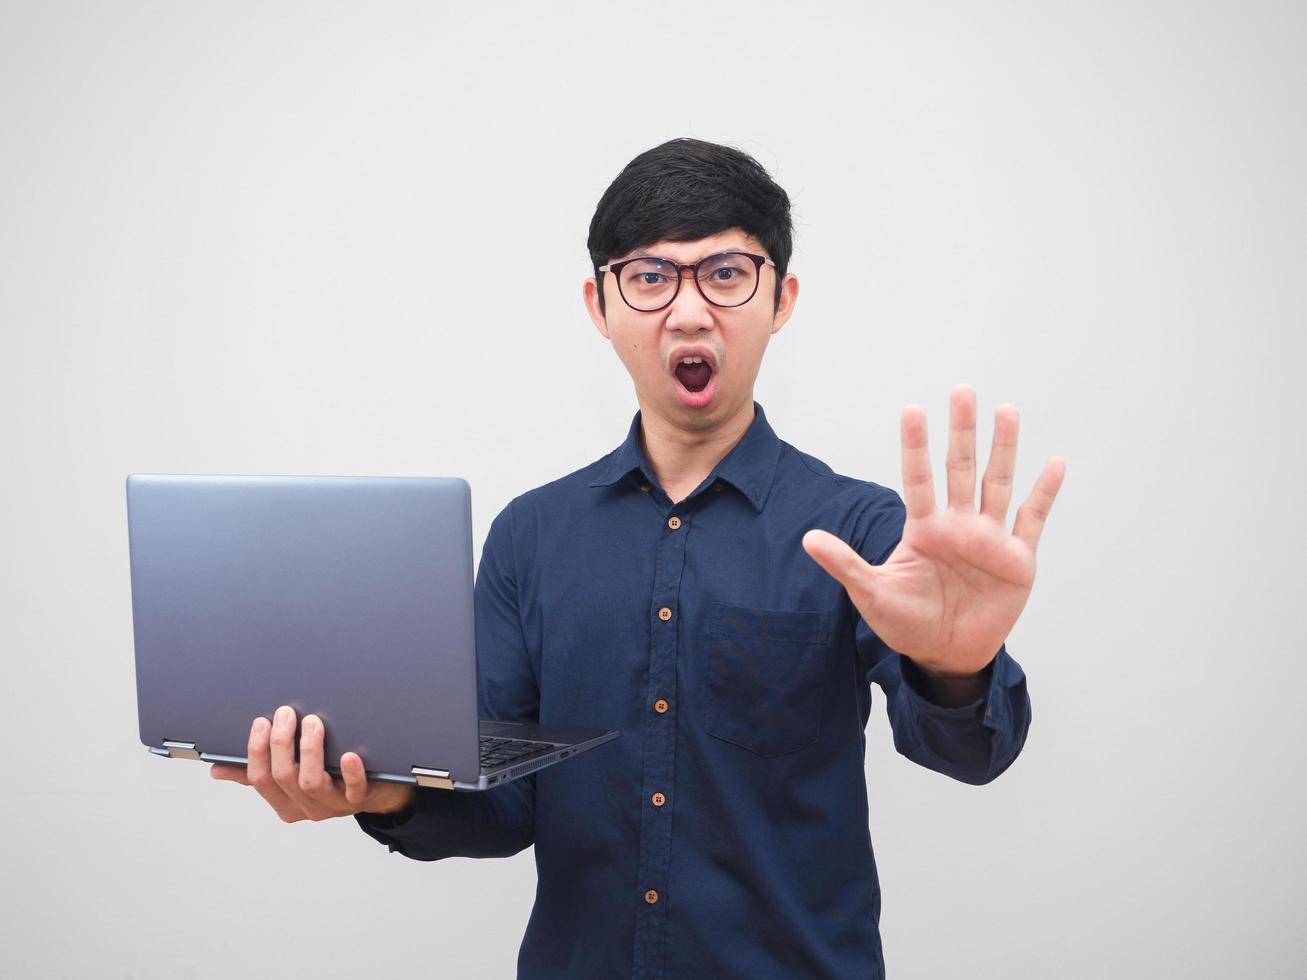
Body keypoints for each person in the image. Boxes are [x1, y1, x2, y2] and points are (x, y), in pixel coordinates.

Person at [211, 137, 1066, 978]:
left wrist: (957, 667)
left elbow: (970, 755)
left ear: (782, 299)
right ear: (599, 305)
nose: (688, 312)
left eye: (726, 274)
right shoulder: (531, 537)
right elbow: (502, 808)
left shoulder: (861, 533)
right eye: (650, 277)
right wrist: (382, 790)